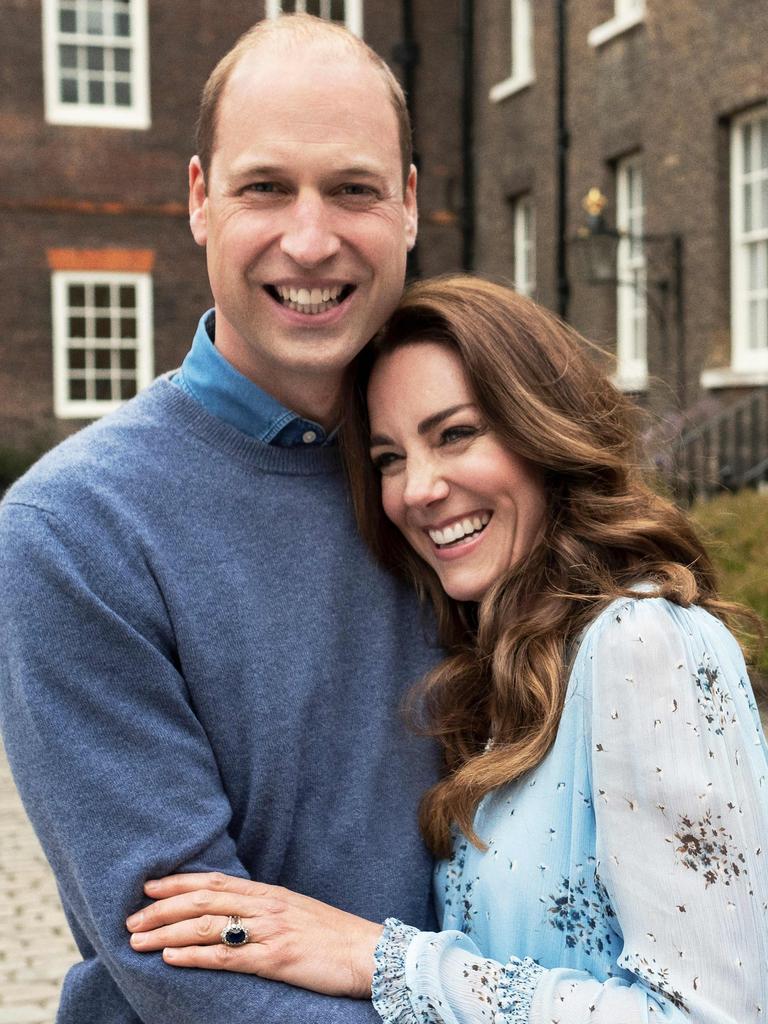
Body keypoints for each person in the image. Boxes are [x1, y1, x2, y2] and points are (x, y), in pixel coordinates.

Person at [126, 276, 768, 1022]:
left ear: (543, 432)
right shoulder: (504, 665)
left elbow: (715, 1013)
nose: (417, 490)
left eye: (455, 434)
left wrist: (376, 958)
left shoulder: (643, 643)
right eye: (390, 458)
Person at [0, 16, 441, 1024]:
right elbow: (189, 962)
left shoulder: (470, 485)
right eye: (265, 187)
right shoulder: (73, 529)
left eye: (355, 189)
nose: (311, 237)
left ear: (410, 206)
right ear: (198, 199)